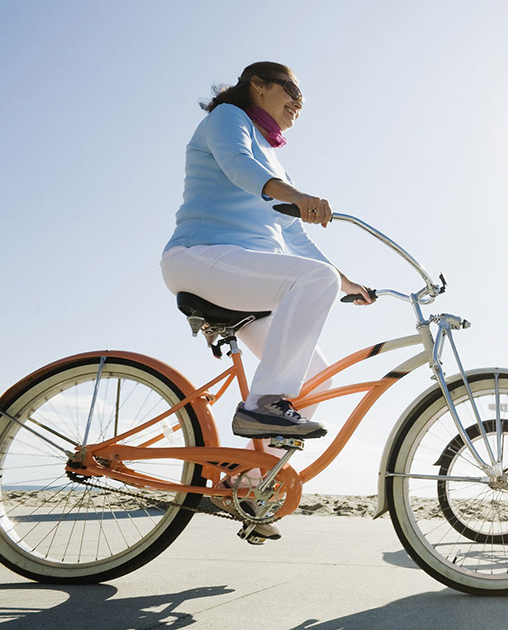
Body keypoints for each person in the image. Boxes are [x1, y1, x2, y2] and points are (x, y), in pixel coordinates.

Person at [160, 62, 374, 540]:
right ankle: (263, 403)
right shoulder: (228, 118)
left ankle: (250, 482)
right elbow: (240, 168)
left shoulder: (275, 162)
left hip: (246, 278)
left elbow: (296, 240)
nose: (298, 103)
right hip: (201, 255)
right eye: (292, 90)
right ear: (258, 85)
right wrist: (297, 195)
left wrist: (347, 283)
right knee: (309, 293)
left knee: (315, 381)